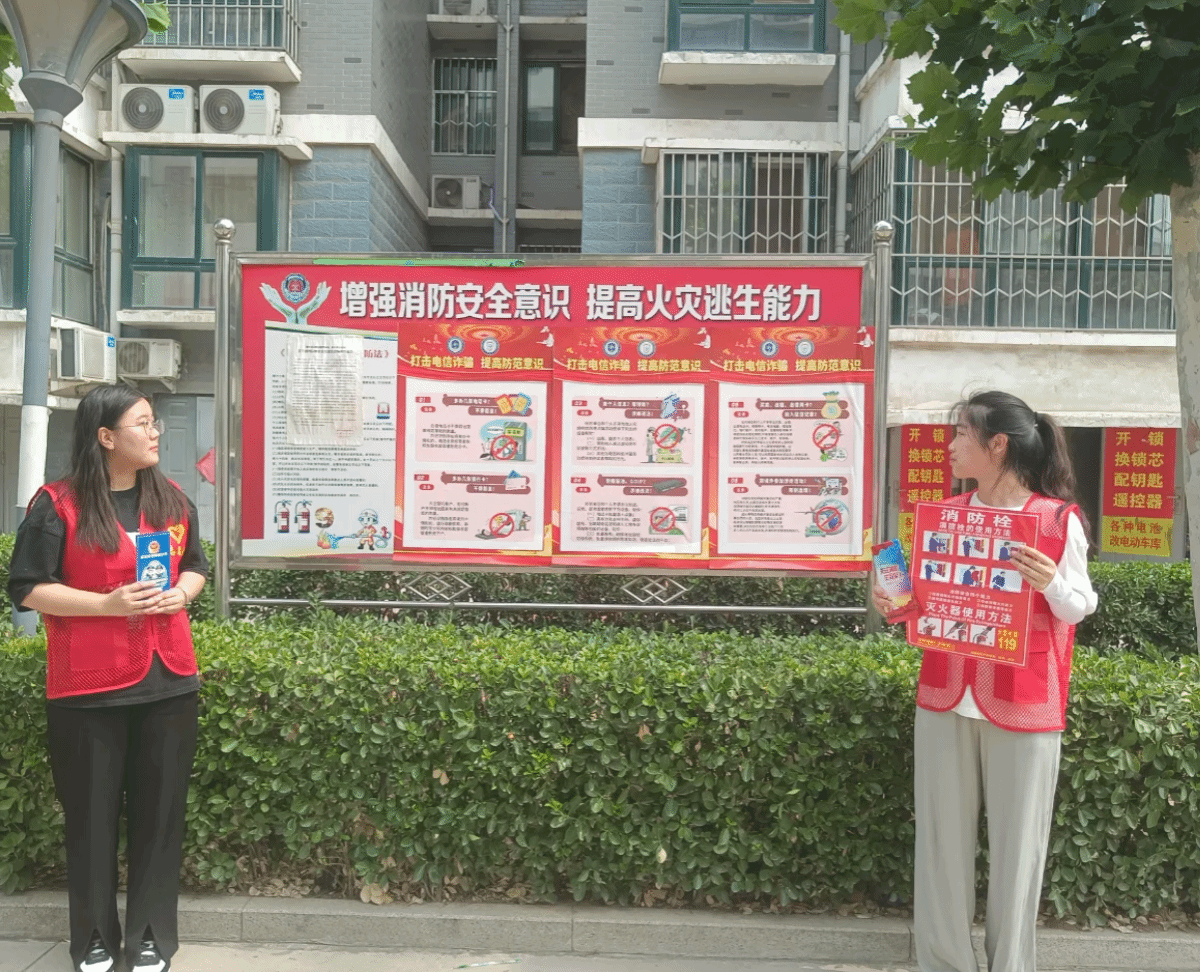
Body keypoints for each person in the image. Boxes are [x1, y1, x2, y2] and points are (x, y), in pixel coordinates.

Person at [873, 390, 1097, 972]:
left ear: (997, 445)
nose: (950, 446)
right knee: (940, 843)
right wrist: (895, 602)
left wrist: (1050, 583)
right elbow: (924, 606)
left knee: (1019, 850)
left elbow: (1079, 606)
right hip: (944, 694)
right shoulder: (945, 516)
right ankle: (944, 962)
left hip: (1024, 701)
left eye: (961, 434)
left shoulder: (1056, 520)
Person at [8, 385, 209, 972]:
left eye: (154, 422)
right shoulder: (57, 505)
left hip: (169, 680)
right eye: (142, 423)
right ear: (105, 437)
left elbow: (195, 567)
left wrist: (182, 593)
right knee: (91, 823)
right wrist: (106, 605)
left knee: (160, 820)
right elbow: (26, 587)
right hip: (87, 689)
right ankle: (94, 939)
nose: (154, 432)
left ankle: (151, 938)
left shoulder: (172, 499)